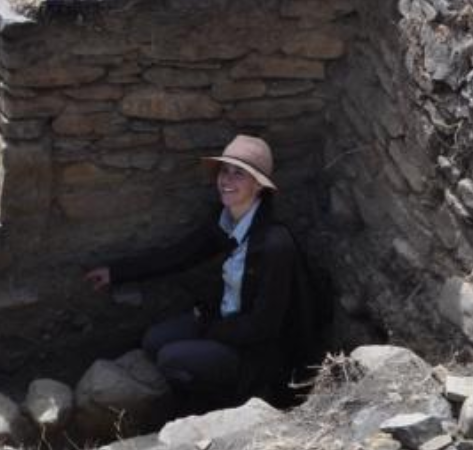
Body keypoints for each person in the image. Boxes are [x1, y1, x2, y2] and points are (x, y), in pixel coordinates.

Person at [83, 134, 309, 406]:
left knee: (170, 358)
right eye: (224, 171)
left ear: (259, 186)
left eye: (239, 174)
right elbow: (181, 254)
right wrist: (117, 272)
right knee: (153, 341)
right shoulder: (225, 220)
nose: (226, 180)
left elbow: (264, 326)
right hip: (222, 320)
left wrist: (210, 329)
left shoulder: (274, 246)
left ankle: (216, 403)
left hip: (251, 350)